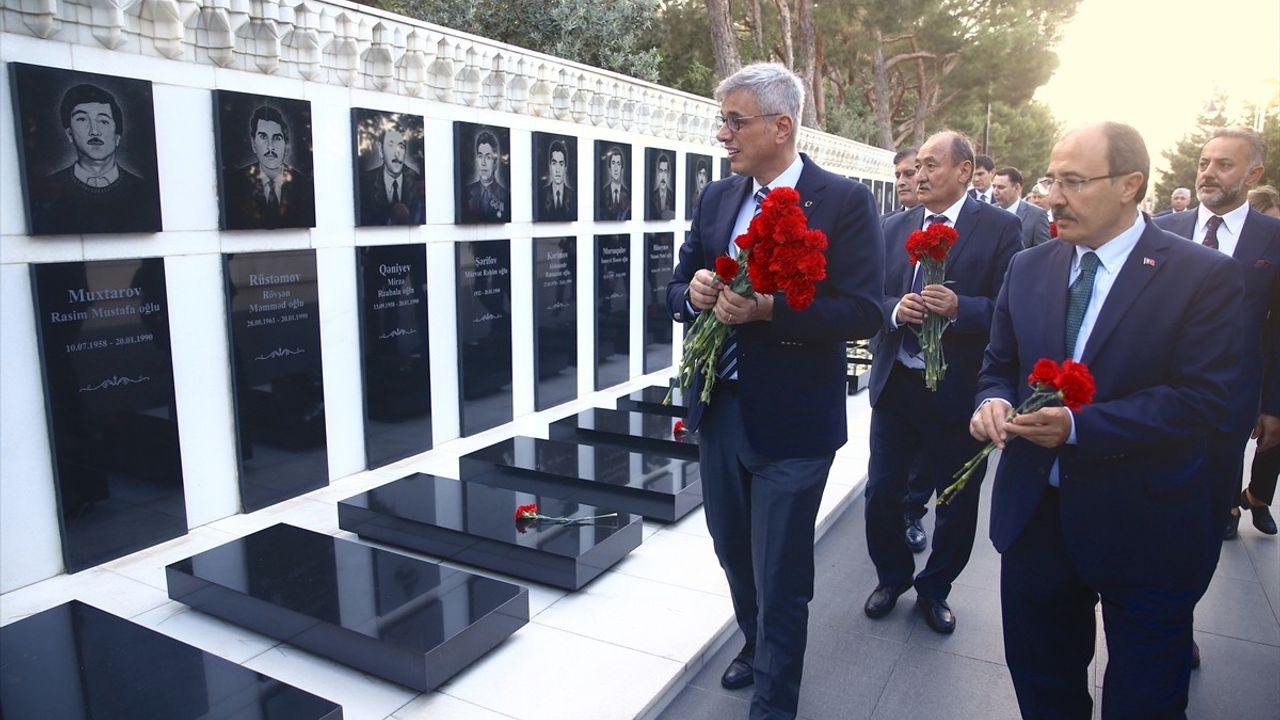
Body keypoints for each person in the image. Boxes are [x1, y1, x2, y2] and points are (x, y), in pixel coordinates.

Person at [972, 121, 1243, 719]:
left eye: (1073, 181)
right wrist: (989, 402)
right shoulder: (1029, 267)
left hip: (1145, 526)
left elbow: (1202, 400)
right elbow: (1000, 366)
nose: (1053, 196)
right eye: (1050, 179)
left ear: (1130, 186)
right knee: (1043, 686)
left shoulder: (1204, 276)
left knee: (1146, 697)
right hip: (1036, 519)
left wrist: (1080, 428)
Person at [666, 62, 883, 719]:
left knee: (781, 571)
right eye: (722, 121)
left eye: (734, 121)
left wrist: (769, 311)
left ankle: (775, 697)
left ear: (781, 126)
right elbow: (675, 287)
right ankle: (755, 641)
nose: (722, 135)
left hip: (792, 423)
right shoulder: (716, 199)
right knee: (732, 549)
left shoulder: (844, 202)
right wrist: (694, 292)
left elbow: (863, 311)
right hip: (721, 410)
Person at [863, 131, 1021, 634]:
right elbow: (868, 299)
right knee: (882, 493)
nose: (921, 174)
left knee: (956, 500)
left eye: (933, 165)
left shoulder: (998, 229)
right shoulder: (893, 227)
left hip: (957, 391)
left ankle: (935, 589)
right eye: (918, 165)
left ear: (964, 170)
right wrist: (893, 310)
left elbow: (1010, 310)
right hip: (897, 386)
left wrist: (961, 308)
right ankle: (892, 575)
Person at [1155, 128, 1280, 541]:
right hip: (1152, 397)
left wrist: (1273, 405)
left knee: (1207, 521)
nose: (1208, 173)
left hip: (1229, 406)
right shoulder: (1160, 229)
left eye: (1224, 165)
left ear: (1253, 173)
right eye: (1204, 163)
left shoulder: (1274, 238)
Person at [32, 83, 161, 235]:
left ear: (117, 136)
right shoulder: (47, 191)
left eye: (103, 121)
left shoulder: (144, 191)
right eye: (82, 120)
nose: (94, 131)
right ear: (69, 133)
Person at [223, 104, 315, 230]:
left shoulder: (303, 184)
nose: (270, 147)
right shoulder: (234, 184)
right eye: (263, 137)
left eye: (277, 138)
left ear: (286, 144)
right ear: (253, 143)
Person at [359, 123, 424, 225]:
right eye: (391, 145)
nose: (397, 152)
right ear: (381, 150)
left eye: (401, 146)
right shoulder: (367, 182)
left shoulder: (416, 180)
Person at [993, 166, 1053, 248]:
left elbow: (1044, 252)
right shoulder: (988, 213)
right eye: (994, 186)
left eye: (1001, 187)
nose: (995, 192)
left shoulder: (1037, 216)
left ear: (1017, 188)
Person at [461, 130, 509, 223]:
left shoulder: (505, 196)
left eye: (488, 157)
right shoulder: (466, 193)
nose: (483, 163)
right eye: (480, 156)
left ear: (495, 163)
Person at [538, 139, 576, 221]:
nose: (557, 169)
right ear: (549, 166)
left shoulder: (573, 195)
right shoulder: (542, 195)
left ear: (565, 167)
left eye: (561, 164)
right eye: (554, 163)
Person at [599, 146, 631, 220]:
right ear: (609, 168)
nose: (616, 168)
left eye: (618, 163)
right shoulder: (602, 192)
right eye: (613, 163)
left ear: (622, 168)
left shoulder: (627, 193)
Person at [649, 152, 676, 220]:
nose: (663, 176)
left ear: (668, 174)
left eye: (665, 171)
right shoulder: (651, 196)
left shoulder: (673, 196)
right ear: (657, 173)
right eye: (661, 171)